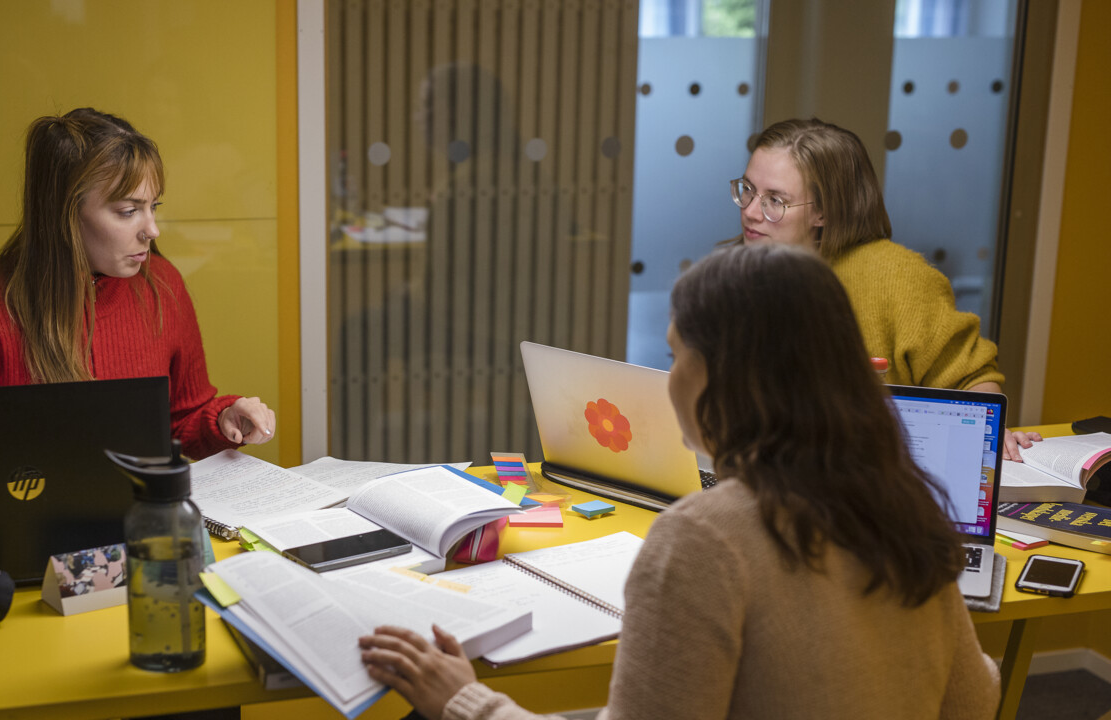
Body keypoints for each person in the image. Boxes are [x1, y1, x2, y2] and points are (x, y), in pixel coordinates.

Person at [358, 244, 1000, 720]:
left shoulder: (703, 540)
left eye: (674, 356)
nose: (667, 379)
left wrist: (461, 699)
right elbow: (976, 699)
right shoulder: (902, 504)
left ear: (723, 378)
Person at [0, 108, 274, 460]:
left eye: (153, 207)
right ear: (64, 214)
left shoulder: (163, 284)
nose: (152, 230)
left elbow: (181, 422)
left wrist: (223, 419)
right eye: (128, 211)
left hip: (142, 515)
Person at [729, 116, 1038, 460]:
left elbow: (972, 381)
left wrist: (989, 433)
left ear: (824, 212)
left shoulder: (899, 278)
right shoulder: (731, 271)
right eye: (748, 190)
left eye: (775, 200)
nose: (751, 211)